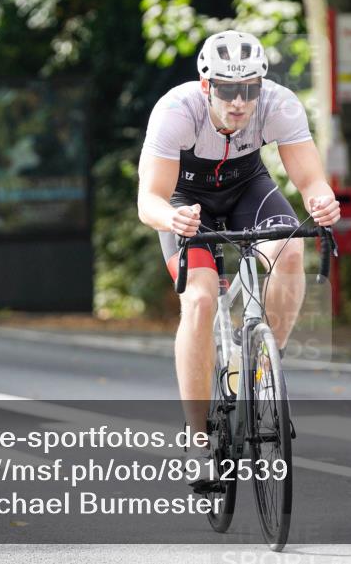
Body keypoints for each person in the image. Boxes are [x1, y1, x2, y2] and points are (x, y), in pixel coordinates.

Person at [137, 30, 340, 487]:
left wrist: (322, 200)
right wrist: (173, 219)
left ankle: (264, 366)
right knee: (202, 300)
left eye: (249, 89)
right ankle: (197, 439)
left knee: (290, 250)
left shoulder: (279, 104)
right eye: (228, 90)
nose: (239, 102)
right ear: (207, 86)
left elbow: (311, 180)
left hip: (248, 188)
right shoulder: (176, 111)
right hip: (187, 203)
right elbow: (148, 200)